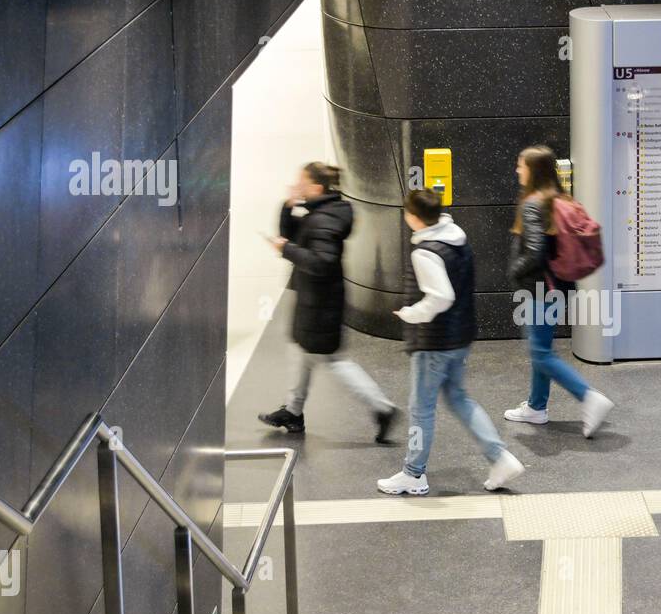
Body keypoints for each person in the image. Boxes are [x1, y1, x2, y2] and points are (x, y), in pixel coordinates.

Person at [377, 188, 524, 496]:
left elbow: (441, 296)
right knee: (458, 398)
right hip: (459, 336)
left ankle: (413, 474)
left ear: (413, 217)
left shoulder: (425, 252)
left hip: (434, 342)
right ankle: (500, 458)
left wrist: (411, 314)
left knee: (420, 409)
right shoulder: (457, 237)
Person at [258, 162, 397, 442]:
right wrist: (288, 206)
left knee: (331, 360)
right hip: (314, 299)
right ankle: (294, 412)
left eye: (302, 182)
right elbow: (295, 235)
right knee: (301, 353)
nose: (298, 186)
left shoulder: (323, 220)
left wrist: (285, 249)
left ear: (317, 187)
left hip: (320, 305)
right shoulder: (323, 213)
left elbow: (321, 262)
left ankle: (383, 408)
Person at [504, 145, 614, 437]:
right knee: (541, 348)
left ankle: (589, 397)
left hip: (540, 289)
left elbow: (537, 252)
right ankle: (536, 407)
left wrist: (514, 270)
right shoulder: (560, 199)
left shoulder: (532, 204)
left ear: (533, 171)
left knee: (540, 353)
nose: (518, 170)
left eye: (521, 165)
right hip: (560, 287)